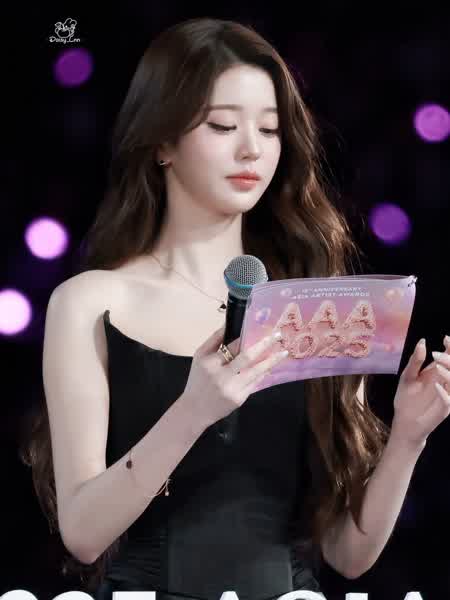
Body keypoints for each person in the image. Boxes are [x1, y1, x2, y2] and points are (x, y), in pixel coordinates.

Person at [20, 17, 450, 600]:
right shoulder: (90, 302)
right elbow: (83, 533)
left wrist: (408, 437)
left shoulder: (314, 305)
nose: (252, 148)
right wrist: (192, 411)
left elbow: (348, 555)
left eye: (269, 129)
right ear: (162, 143)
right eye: (223, 125)